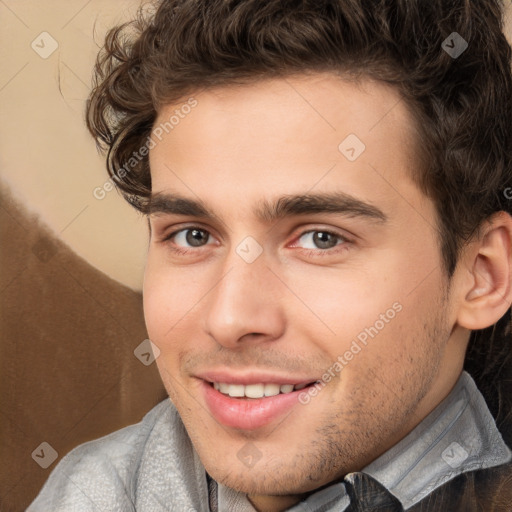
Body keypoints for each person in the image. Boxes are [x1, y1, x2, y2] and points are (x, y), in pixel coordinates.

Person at [28, 0, 512, 510]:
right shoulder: (88, 493)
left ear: (483, 275)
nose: (230, 318)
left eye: (320, 238)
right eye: (193, 235)